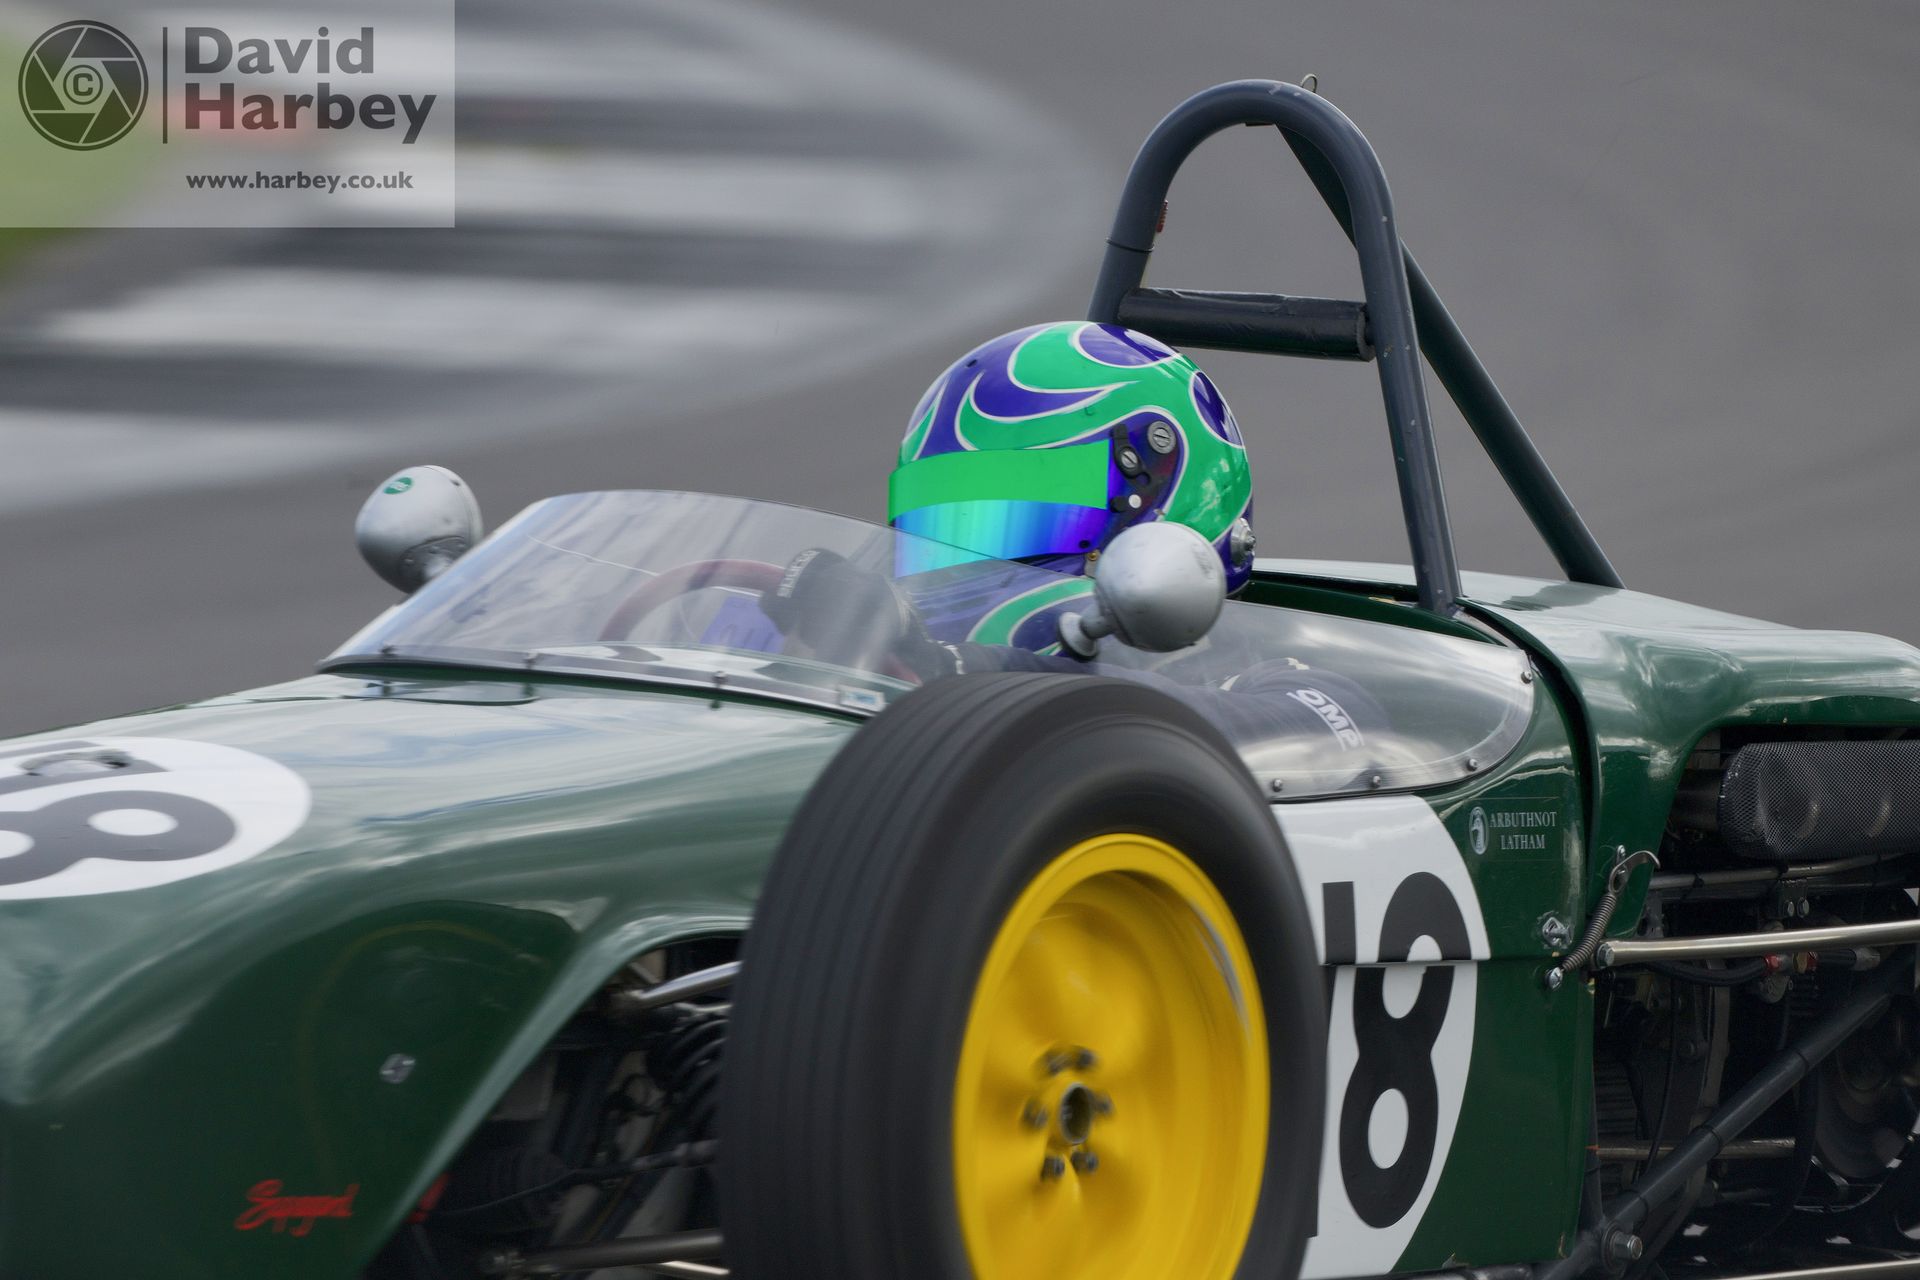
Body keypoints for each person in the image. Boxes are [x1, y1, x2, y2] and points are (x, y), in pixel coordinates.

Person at [759, 321, 1393, 767]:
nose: (973, 558)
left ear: (1165, 522)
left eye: (1029, 517)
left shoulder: (1260, 677)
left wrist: (973, 672)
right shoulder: (900, 643)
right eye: (944, 524)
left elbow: (1344, 720)